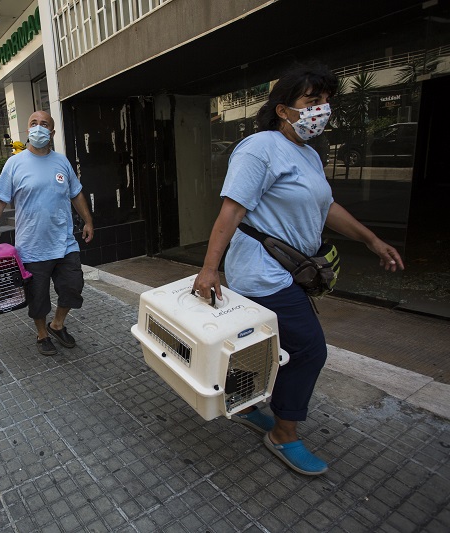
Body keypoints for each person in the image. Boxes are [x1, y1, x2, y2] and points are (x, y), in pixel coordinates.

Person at [191, 64, 404, 475]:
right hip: (261, 269)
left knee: (262, 342)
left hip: (291, 268)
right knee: (308, 348)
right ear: (283, 108)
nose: (321, 109)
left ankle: (248, 406)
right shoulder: (259, 148)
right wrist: (209, 268)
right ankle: (283, 433)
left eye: (325, 101)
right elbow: (232, 210)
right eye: (311, 100)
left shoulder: (308, 153)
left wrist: (371, 240)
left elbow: (328, 206)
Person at [0, 111, 94, 356]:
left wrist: (88, 221)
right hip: (32, 246)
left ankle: (57, 325)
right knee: (38, 297)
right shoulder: (14, 164)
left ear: (52, 133)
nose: (38, 127)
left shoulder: (61, 162)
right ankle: (42, 334)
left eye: (44, 124)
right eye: (34, 123)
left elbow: (76, 193)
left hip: (64, 243)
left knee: (73, 286)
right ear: (27, 130)